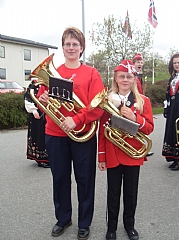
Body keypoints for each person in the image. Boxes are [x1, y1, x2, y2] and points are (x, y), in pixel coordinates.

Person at [37, 27, 104, 239]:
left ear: (82, 48)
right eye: (67, 44)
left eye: (75, 44)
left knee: (85, 180)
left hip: (83, 134)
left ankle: (85, 223)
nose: (71, 47)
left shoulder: (92, 73)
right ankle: (63, 219)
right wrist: (44, 101)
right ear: (63, 47)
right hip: (55, 134)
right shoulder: (52, 73)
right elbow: (41, 101)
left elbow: (99, 105)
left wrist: (76, 119)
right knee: (60, 179)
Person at [98, 59, 154, 240]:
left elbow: (149, 128)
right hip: (113, 152)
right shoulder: (107, 100)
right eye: (121, 76)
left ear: (133, 79)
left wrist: (135, 117)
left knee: (131, 193)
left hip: (132, 153)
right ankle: (111, 228)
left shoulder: (143, 101)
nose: (125, 80)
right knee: (113, 193)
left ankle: (129, 225)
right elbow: (102, 130)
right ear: (115, 78)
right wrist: (101, 156)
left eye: (129, 76)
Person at [24, 79, 49, 168]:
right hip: (37, 114)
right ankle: (41, 159)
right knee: (39, 136)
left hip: (48, 113)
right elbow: (28, 98)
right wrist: (34, 111)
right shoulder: (34, 84)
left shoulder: (48, 82)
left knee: (47, 136)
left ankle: (48, 157)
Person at [133, 53, 154, 157]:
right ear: (134, 63)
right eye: (138, 62)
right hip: (135, 103)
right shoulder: (133, 75)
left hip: (140, 102)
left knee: (142, 124)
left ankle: (142, 147)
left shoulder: (138, 75)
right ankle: (138, 147)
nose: (140, 64)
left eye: (141, 62)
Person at [162, 53, 179, 171]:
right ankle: (174, 157)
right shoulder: (172, 78)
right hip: (173, 106)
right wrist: (166, 108)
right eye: (175, 63)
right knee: (172, 131)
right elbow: (168, 94)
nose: (177, 65)